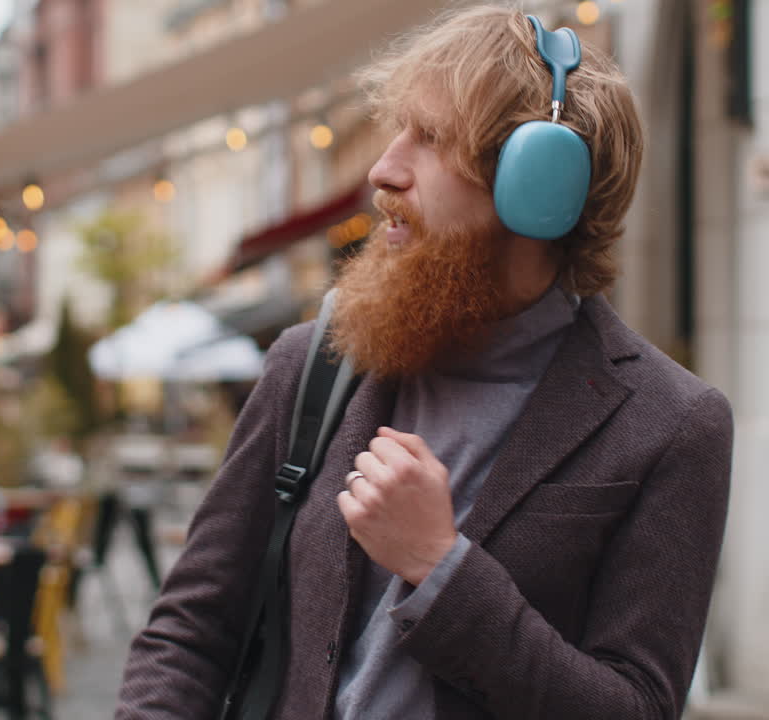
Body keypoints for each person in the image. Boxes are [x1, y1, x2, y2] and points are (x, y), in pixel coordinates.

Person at [116, 7, 733, 720]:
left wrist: (443, 571)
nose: (384, 168)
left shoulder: (672, 424)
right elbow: (191, 635)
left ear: (538, 187)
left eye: (431, 139)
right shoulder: (312, 363)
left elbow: (638, 707)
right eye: (395, 130)